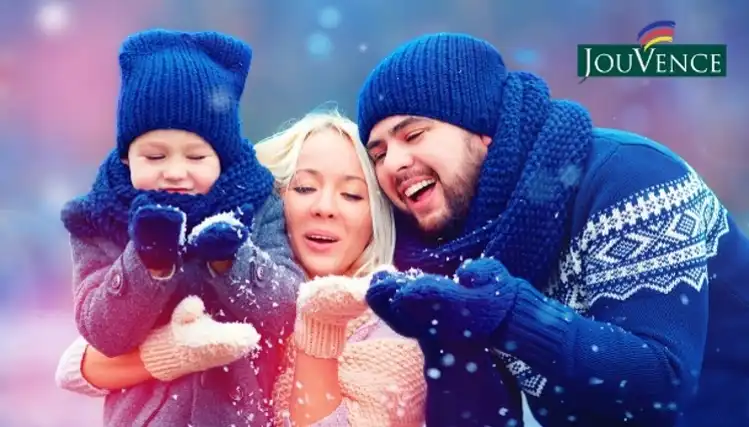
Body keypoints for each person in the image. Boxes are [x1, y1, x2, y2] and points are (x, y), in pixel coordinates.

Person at [358, 32, 749, 427]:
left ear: (484, 131)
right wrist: (449, 340)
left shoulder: (631, 179)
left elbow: (662, 385)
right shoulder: (463, 242)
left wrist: (509, 316)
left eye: (413, 135)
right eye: (379, 154)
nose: (394, 163)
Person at [56, 109, 428, 427]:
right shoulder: (238, 276)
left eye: (351, 194)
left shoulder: (390, 325)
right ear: (273, 201)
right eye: (304, 188)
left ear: (375, 216)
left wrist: (320, 325)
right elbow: (78, 364)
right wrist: (174, 350)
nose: (325, 207)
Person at [57, 29, 303, 426]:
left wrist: (230, 260)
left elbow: (285, 309)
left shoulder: (257, 206)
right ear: (126, 158)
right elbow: (102, 333)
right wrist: (147, 262)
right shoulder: (97, 221)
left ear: (221, 158)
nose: (175, 173)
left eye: (196, 156)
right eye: (154, 155)